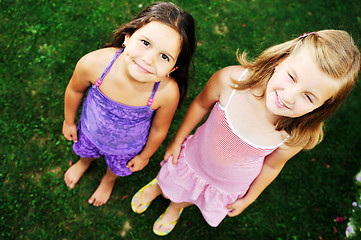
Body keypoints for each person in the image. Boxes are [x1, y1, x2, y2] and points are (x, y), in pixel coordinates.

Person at [131, 30, 360, 235]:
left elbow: (272, 165)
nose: (289, 97)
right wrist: (177, 140)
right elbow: (201, 104)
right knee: (173, 175)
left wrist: (250, 198)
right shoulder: (231, 81)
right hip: (194, 156)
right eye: (292, 77)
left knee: (192, 195)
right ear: (280, 61)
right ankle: (159, 187)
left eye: (309, 96)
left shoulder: (295, 134)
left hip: (226, 183)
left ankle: (175, 207)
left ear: (322, 106)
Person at [62, 2, 196, 207]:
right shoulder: (95, 64)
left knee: (116, 168)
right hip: (90, 130)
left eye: (164, 56)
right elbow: (74, 90)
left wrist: (145, 156)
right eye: (145, 43)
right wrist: (69, 122)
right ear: (128, 36)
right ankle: (84, 163)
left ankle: (108, 180)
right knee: (86, 151)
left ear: (173, 68)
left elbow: (160, 128)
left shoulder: (166, 93)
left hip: (127, 148)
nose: (148, 59)